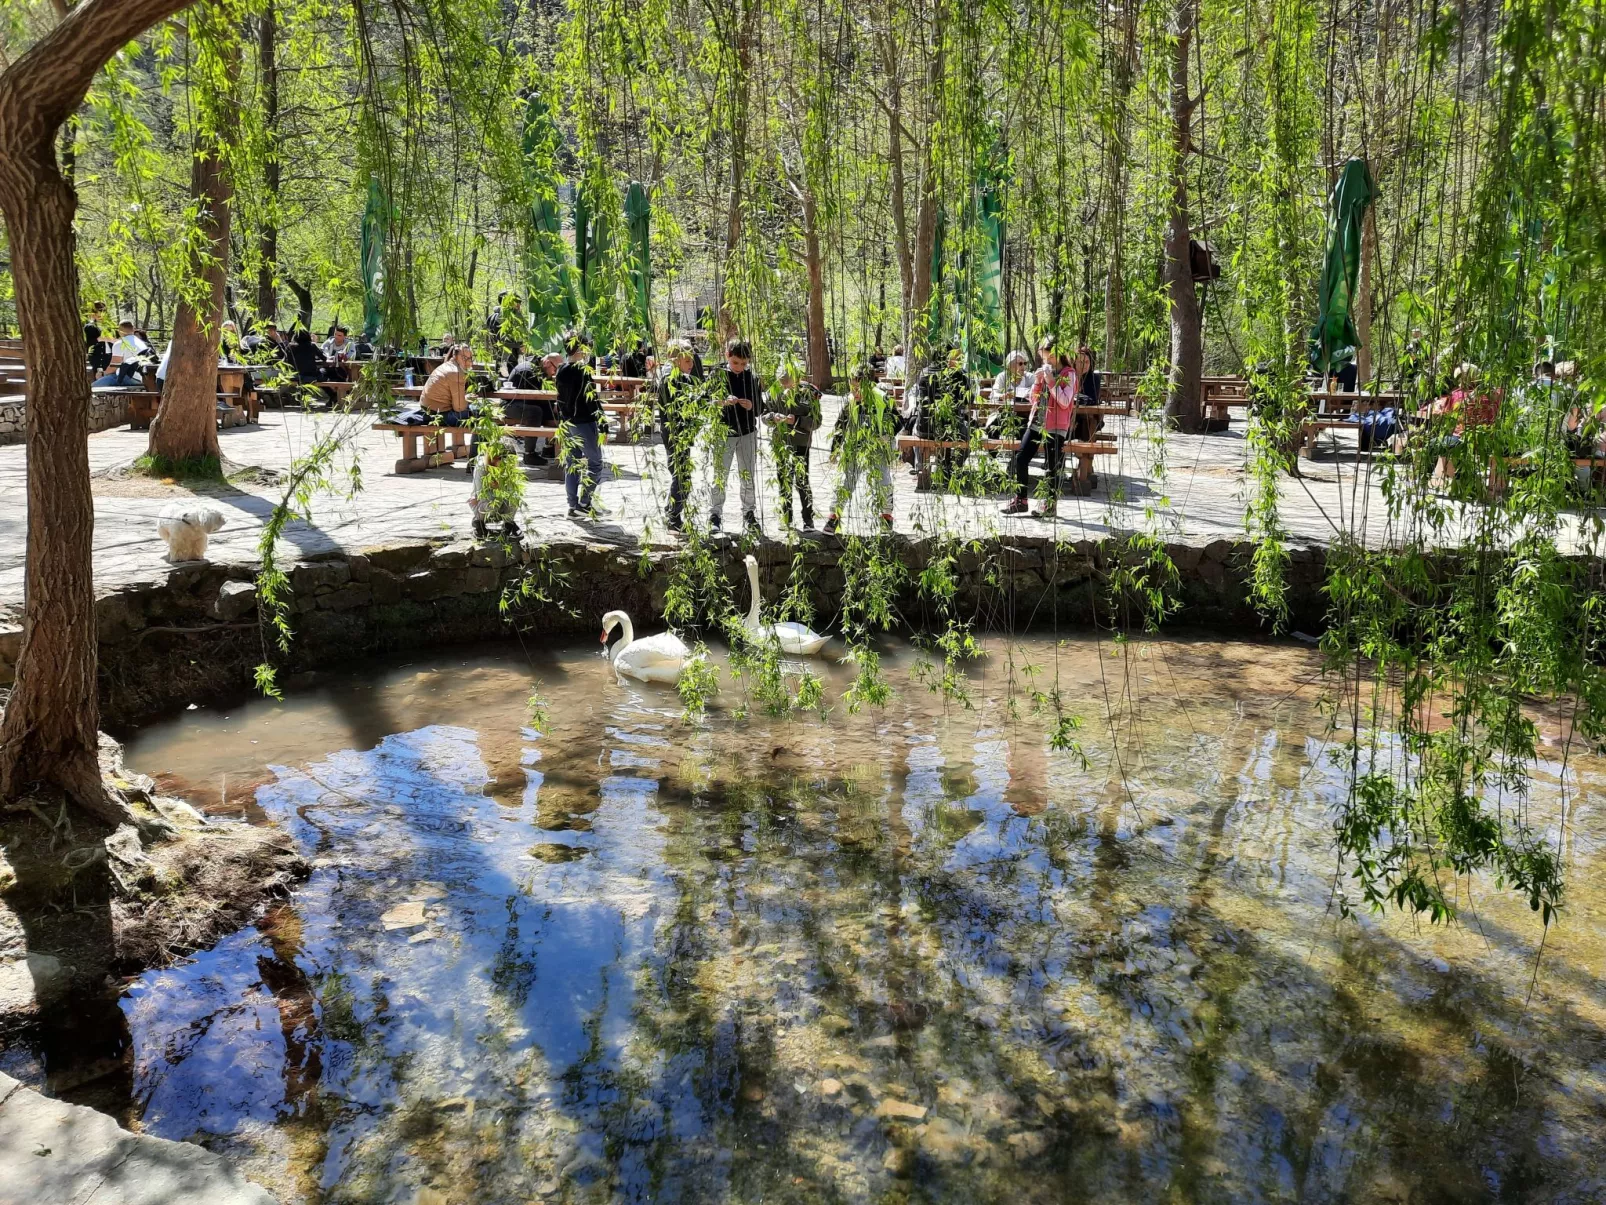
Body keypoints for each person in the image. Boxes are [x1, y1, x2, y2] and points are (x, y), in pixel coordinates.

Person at [1003, 340, 1079, 518]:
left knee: (1052, 466)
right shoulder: (1045, 371)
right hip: (1037, 421)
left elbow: (1065, 401)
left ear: (1059, 354)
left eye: (1050, 357)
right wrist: (1038, 382)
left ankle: (1050, 505)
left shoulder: (1069, 374)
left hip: (1056, 425)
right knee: (1020, 458)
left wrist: (1051, 381)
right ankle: (1021, 500)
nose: (1048, 361)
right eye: (1044, 358)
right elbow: (1033, 398)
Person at [825, 361, 897, 533]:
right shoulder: (850, 402)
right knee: (844, 481)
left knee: (883, 482)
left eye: (858, 388)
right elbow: (840, 427)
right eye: (852, 387)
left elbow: (899, 420)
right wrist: (834, 450)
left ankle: (886, 518)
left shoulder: (882, 398)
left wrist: (887, 435)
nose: (854, 392)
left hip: (878, 447)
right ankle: (834, 517)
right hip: (854, 447)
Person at [710, 337, 763, 532]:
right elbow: (707, 402)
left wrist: (751, 405)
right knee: (719, 475)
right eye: (735, 363)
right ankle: (714, 514)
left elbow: (760, 408)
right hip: (723, 432)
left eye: (743, 363)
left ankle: (749, 513)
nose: (739, 367)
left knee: (747, 475)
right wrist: (722, 401)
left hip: (747, 432)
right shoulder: (718, 374)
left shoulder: (752, 377)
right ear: (727, 356)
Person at [556, 330, 607, 519]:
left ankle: (572, 505)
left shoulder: (561, 370)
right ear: (581, 348)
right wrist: (603, 423)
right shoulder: (581, 371)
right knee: (595, 463)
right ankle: (584, 502)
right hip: (584, 422)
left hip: (567, 423)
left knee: (572, 464)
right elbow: (591, 400)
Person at [767, 356, 821, 529]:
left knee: (802, 481)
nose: (786, 387)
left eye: (788, 383)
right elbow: (764, 414)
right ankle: (786, 517)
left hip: (800, 443)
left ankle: (808, 519)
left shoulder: (809, 393)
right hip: (780, 443)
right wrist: (772, 418)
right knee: (783, 480)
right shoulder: (773, 392)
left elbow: (816, 421)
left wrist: (796, 420)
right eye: (782, 383)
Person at [656, 339, 702, 532]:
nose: (692, 365)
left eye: (692, 361)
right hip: (676, 433)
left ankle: (672, 511)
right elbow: (680, 409)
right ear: (675, 360)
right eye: (688, 361)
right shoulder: (671, 379)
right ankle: (673, 516)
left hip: (678, 432)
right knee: (682, 476)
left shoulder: (676, 377)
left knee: (681, 474)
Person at [470, 440, 522, 541]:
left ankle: (509, 524)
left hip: (503, 504)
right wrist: (497, 490)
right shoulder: (482, 467)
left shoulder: (511, 469)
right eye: (501, 458)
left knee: (514, 500)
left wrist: (502, 486)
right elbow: (479, 494)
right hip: (484, 504)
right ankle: (479, 523)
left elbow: (512, 492)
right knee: (492, 504)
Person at [420, 341, 473, 426]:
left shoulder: (447, 366)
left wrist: (465, 398)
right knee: (479, 412)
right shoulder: (456, 373)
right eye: (464, 358)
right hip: (438, 416)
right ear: (455, 356)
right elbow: (459, 407)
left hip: (427, 411)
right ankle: (463, 440)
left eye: (470, 358)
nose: (468, 362)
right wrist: (467, 401)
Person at [91, 321, 151, 387]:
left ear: (119, 331)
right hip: (141, 377)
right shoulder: (141, 343)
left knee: (91, 388)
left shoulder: (120, 343)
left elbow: (114, 367)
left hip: (126, 377)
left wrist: (102, 374)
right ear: (133, 329)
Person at [84, 302, 111, 373]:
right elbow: (88, 343)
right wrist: (100, 339)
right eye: (98, 311)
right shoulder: (90, 327)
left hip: (110, 356)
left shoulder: (110, 326)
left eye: (103, 311)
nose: (101, 313)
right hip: (97, 357)